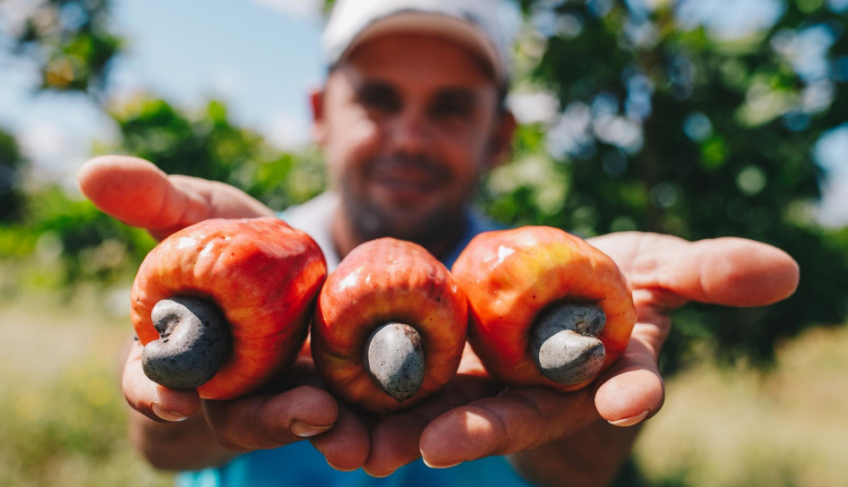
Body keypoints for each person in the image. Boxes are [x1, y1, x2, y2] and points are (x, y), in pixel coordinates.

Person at [77, 0, 800, 486]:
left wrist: (579, 378)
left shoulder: (529, 279)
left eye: (451, 107)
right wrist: (192, 382)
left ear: (502, 137)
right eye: (379, 99)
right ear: (323, 113)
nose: (411, 137)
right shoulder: (241, 250)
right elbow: (157, 441)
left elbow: (587, 469)